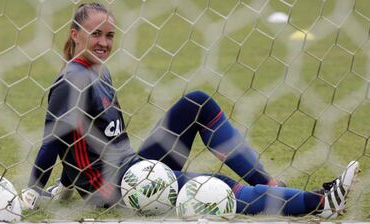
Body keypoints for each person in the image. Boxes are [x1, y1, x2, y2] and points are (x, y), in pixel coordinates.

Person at [21, 2, 359, 219]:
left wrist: (65, 186)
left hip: (133, 167)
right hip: (118, 191)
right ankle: (319, 204)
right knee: (219, 188)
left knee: (196, 102)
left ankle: (272, 183)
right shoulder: (71, 80)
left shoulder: (100, 70)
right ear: (75, 34)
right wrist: (36, 189)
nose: (104, 43)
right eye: (96, 35)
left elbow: (84, 139)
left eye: (110, 35)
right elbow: (55, 141)